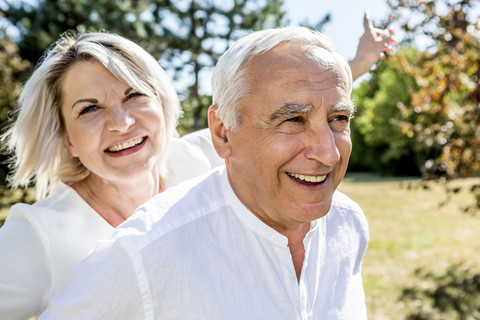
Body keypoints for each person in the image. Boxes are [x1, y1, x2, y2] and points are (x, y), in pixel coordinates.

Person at [40, 26, 369, 319]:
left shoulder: (349, 223)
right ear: (223, 133)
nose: (329, 153)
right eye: (292, 120)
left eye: (338, 118)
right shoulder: (140, 254)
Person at [0, 32, 222, 320]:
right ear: (68, 139)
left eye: (135, 95)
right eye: (90, 108)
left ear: (162, 103)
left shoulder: (213, 158)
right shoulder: (43, 234)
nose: (122, 123)